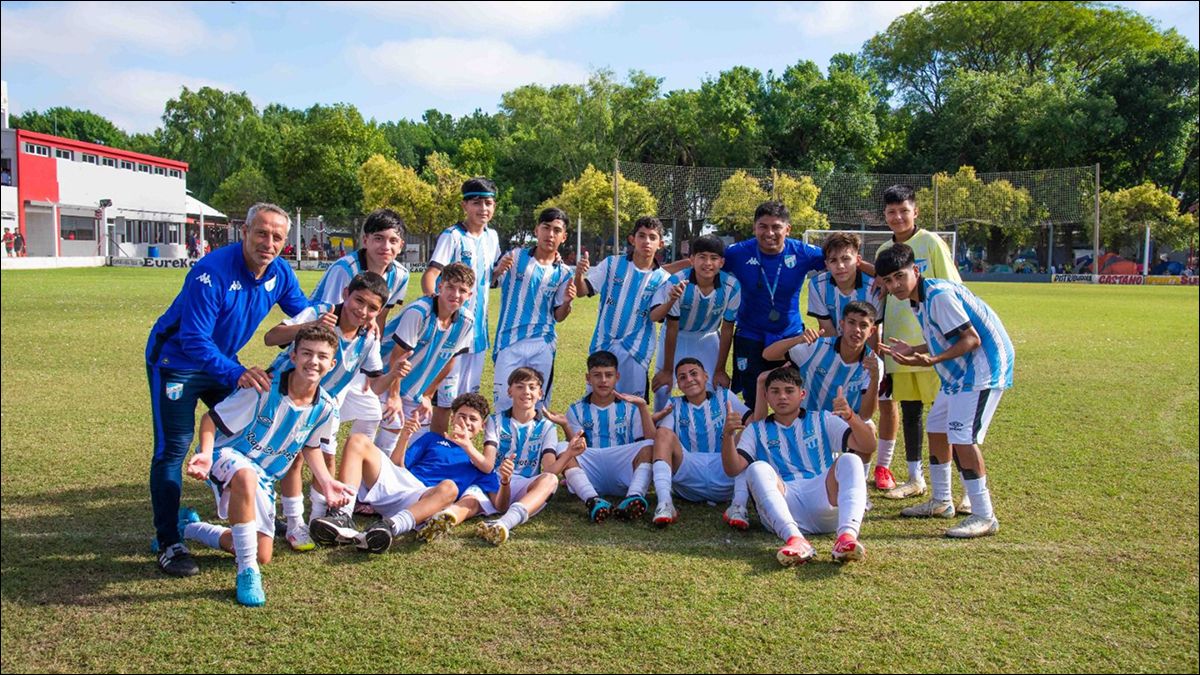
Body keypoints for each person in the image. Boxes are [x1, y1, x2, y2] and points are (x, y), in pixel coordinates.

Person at [146, 202, 310, 577]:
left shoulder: (280, 272)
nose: (268, 242)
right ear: (245, 232)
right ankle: (169, 540)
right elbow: (193, 339)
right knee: (173, 449)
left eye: (277, 237)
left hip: (223, 364)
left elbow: (303, 315)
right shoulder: (211, 271)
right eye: (261, 233)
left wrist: (339, 318)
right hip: (177, 363)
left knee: (250, 438)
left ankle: (254, 515)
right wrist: (235, 372)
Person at [179, 324, 353, 606]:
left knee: (262, 552)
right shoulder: (263, 389)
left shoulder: (327, 407)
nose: (314, 361)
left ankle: (189, 528)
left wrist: (327, 482)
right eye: (307, 353)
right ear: (293, 356)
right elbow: (211, 420)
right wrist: (207, 454)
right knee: (245, 476)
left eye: (322, 357)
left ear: (332, 364)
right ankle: (247, 572)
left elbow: (309, 446)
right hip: (227, 455)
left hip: (264, 474)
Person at [874, 243, 1013, 538]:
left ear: (916, 270)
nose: (894, 285)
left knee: (963, 437)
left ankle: (984, 515)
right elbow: (944, 337)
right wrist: (916, 349)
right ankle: (941, 501)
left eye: (899, 276)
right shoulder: (918, 298)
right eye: (887, 280)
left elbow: (970, 339)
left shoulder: (938, 297)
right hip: (961, 372)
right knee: (937, 427)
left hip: (982, 369)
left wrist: (932, 359)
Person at [263, 272, 401, 550]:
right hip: (285, 396)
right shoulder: (320, 312)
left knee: (326, 461)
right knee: (292, 460)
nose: (362, 310)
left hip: (324, 406)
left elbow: (373, 381)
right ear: (345, 293)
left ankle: (317, 519)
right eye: (358, 301)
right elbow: (271, 337)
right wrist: (309, 325)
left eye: (372, 307)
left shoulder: (369, 336)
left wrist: (394, 376)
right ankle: (293, 524)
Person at [721, 366, 875, 566]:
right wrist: (728, 436)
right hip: (783, 504)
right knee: (756, 468)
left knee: (851, 460)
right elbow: (732, 469)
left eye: (789, 390)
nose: (782, 397)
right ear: (766, 396)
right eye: (775, 392)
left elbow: (868, 446)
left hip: (824, 501)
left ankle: (847, 537)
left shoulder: (822, 419)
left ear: (802, 394)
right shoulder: (756, 430)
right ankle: (795, 539)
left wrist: (850, 417)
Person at [871, 185, 963, 499]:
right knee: (910, 412)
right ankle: (915, 478)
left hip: (934, 347)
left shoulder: (932, 243)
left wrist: (946, 340)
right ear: (884, 215)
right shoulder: (884, 250)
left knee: (949, 418)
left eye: (903, 211)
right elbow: (879, 298)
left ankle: (961, 489)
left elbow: (952, 289)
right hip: (899, 347)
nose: (898, 217)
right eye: (891, 212)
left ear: (916, 211)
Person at [722, 202, 827, 412]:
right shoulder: (737, 253)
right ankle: (751, 443)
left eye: (776, 227)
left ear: (787, 229)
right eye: (763, 226)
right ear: (754, 227)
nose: (769, 232)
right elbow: (701, 263)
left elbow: (843, 263)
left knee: (793, 400)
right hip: (750, 335)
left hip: (790, 336)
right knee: (751, 401)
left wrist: (878, 277)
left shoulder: (803, 252)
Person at [764, 300, 883, 475]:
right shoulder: (817, 347)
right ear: (842, 324)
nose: (857, 330)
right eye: (851, 322)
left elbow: (865, 414)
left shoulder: (873, 363)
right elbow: (768, 354)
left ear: (871, 331)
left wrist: (874, 378)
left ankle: (861, 486)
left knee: (868, 427)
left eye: (863, 325)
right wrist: (797, 339)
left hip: (843, 423)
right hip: (808, 422)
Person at [422, 177, 503, 429]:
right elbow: (432, 274)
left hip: (477, 333)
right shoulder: (452, 236)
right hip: (452, 332)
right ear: (464, 206)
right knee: (444, 398)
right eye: (476, 202)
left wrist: (499, 272)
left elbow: (490, 281)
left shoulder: (493, 237)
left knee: (468, 398)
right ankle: (432, 446)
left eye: (488, 203)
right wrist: (434, 308)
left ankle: (458, 449)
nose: (483, 209)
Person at [375, 262, 476, 446]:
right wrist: (394, 396)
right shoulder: (420, 312)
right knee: (393, 428)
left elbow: (450, 360)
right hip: (384, 377)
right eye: (450, 287)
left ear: (469, 295)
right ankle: (370, 474)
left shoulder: (466, 321)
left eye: (462, 290)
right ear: (439, 287)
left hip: (416, 389)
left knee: (414, 443)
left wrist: (428, 395)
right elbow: (398, 355)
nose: (455, 294)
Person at [557, 351, 664, 522]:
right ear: (588, 378)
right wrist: (565, 426)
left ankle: (633, 496)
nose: (603, 380)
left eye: (609, 375)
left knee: (650, 444)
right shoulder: (575, 409)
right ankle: (592, 499)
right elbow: (576, 446)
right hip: (591, 466)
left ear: (617, 377)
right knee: (562, 447)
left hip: (622, 467)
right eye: (597, 375)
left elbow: (649, 442)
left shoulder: (631, 407)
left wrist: (643, 408)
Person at [379, 393, 501, 542]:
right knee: (359, 441)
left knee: (449, 487)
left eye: (473, 419)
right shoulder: (432, 439)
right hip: (405, 489)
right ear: (452, 419)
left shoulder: (480, 464)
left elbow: (499, 503)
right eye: (461, 416)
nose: (466, 422)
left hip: (431, 501)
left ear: (482, 426)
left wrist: (506, 480)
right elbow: (397, 467)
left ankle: (394, 525)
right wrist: (405, 437)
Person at [576, 216, 674, 399]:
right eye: (642, 236)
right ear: (632, 239)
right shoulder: (612, 263)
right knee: (598, 400)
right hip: (603, 343)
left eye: (652, 237)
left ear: (660, 243)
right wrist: (578, 276)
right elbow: (582, 291)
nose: (646, 241)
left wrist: (671, 301)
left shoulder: (663, 278)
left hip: (636, 350)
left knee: (633, 406)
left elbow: (655, 317)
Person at [476, 367, 575, 545]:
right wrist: (503, 474)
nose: (526, 392)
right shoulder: (495, 420)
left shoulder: (547, 426)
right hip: (496, 482)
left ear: (540, 393)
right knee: (477, 486)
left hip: (526, 488)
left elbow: (549, 469)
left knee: (551, 480)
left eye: (532, 387)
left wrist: (569, 454)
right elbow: (489, 464)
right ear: (509, 391)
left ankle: (504, 523)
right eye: (520, 386)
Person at [649, 358, 752, 528]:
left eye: (694, 374)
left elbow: (755, 422)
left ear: (705, 377)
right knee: (663, 433)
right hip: (689, 472)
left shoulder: (725, 396)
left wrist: (762, 388)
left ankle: (739, 506)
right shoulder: (674, 404)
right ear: (678, 385)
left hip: (725, 468)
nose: (689, 379)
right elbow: (661, 440)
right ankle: (665, 503)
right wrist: (653, 420)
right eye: (682, 377)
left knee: (751, 433)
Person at [491, 207, 577, 412]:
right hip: (509, 340)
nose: (550, 234)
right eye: (546, 228)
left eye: (557, 230)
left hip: (542, 342)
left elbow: (558, 315)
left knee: (538, 404)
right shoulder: (515, 257)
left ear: (563, 237)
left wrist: (567, 302)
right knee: (504, 400)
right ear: (536, 230)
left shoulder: (564, 272)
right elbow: (492, 282)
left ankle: (537, 443)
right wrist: (497, 271)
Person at [650, 234, 741, 412]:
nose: (708, 263)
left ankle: (711, 430)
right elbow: (672, 327)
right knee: (662, 388)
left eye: (714, 258)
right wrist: (668, 370)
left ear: (721, 262)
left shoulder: (732, 286)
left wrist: (720, 369)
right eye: (702, 257)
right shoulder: (677, 282)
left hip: (707, 337)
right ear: (691, 259)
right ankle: (659, 433)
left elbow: (728, 329)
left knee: (715, 388)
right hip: (677, 336)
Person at [310, 208, 409, 333]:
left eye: (393, 241)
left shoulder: (400, 275)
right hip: (314, 336)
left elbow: (380, 317)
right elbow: (329, 316)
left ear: (401, 246)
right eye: (378, 238)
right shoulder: (345, 268)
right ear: (365, 240)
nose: (386, 247)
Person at [807, 233, 882, 339]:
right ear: (827, 265)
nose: (840, 266)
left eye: (846, 258)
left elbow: (873, 335)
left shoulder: (874, 287)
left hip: (864, 347)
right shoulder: (817, 285)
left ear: (858, 260)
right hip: (835, 347)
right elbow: (827, 330)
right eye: (833, 260)